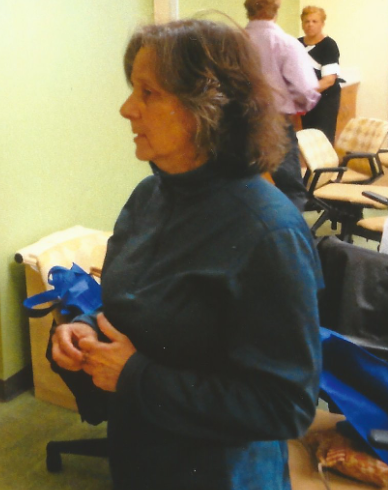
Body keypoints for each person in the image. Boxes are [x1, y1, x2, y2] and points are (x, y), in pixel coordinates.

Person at [51, 19, 323, 490]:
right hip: (142, 456)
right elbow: (137, 309)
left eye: (148, 93)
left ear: (207, 109)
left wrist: (137, 377)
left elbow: (286, 406)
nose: (126, 108)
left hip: (223, 475)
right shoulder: (148, 197)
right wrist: (86, 329)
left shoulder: (268, 232)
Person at [244, 0, 321, 211]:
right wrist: (300, 104)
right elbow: (306, 89)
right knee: (291, 190)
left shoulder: (232, 43)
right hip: (274, 124)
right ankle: (289, 239)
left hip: (240, 123)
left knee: (243, 185)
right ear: (276, 8)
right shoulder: (285, 43)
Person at [299, 6, 342, 144]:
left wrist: (304, 95)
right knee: (308, 141)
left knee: (323, 141)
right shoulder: (296, 44)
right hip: (306, 101)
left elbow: (328, 80)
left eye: (314, 21)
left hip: (325, 100)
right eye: (306, 21)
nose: (310, 24)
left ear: (322, 24)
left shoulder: (329, 45)